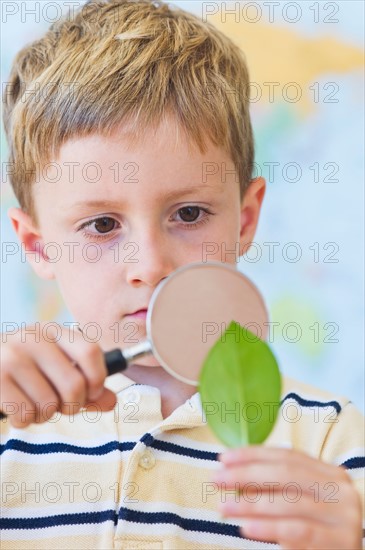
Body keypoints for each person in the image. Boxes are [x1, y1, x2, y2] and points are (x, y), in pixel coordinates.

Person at [1, 1, 363, 548]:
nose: (150, 264)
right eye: (101, 224)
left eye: (188, 214)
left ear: (244, 220)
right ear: (37, 245)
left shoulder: (330, 444)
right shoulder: (9, 426)